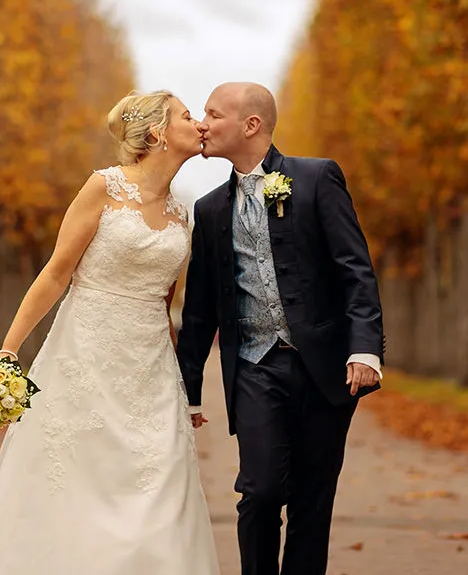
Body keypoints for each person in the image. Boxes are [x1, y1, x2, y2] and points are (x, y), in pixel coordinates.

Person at [0, 90, 220, 575]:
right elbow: (57, 273)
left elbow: (164, 302)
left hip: (151, 369)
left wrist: (185, 383)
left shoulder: (184, 214)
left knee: (161, 485)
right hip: (84, 358)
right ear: (160, 132)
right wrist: (8, 351)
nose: (200, 123)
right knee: (74, 483)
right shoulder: (104, 187)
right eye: (189, 116)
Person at [177, 81, 384, 575]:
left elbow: (354, 270)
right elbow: (201, 309)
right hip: (254, 367)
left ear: (251, 126)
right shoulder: (208, 211)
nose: (202, 123)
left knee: (313, 500)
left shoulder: (316, 179)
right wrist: (188, 392)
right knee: (261, 490)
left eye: (213, 113)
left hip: (326, 368)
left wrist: (365, 350)